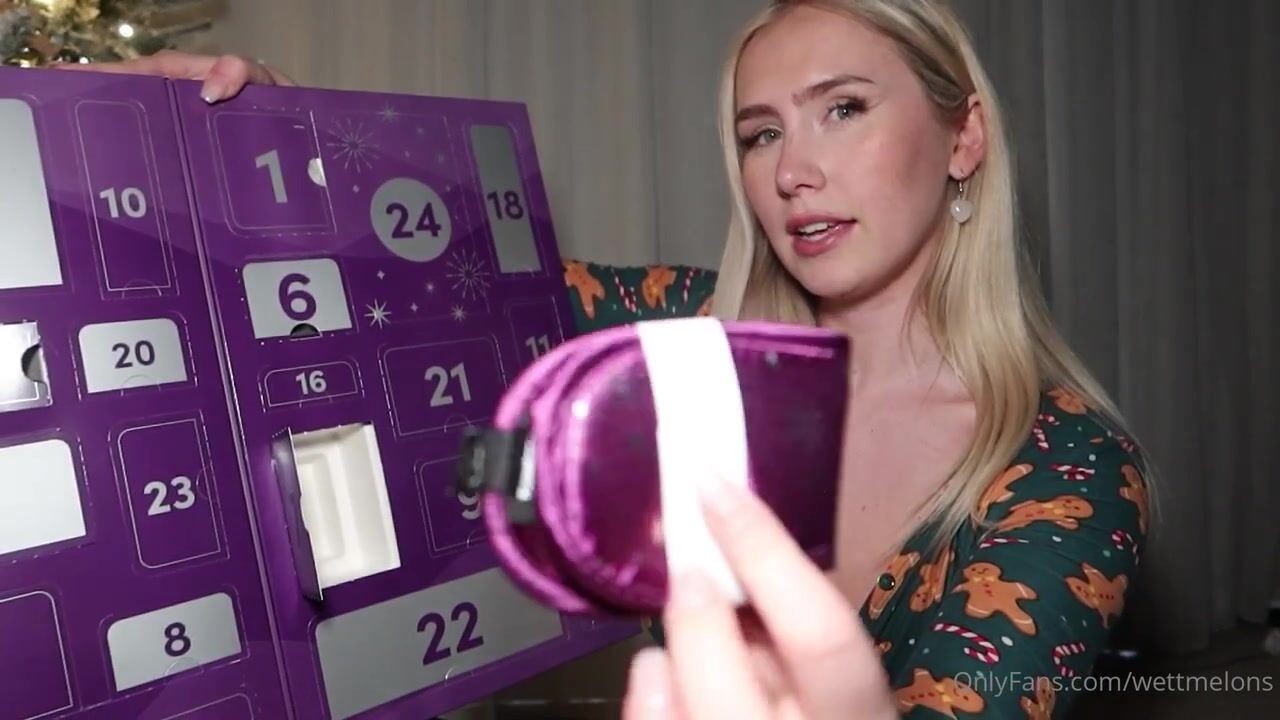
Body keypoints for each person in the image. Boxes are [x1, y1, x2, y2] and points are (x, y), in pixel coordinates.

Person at [67, 1, 1152, 717]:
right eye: (761, 132)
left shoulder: (1069, 469)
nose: (793, 172)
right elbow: (417, 295)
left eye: (843, 109)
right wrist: (234, 133)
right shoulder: (678, 340)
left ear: (963, 137)